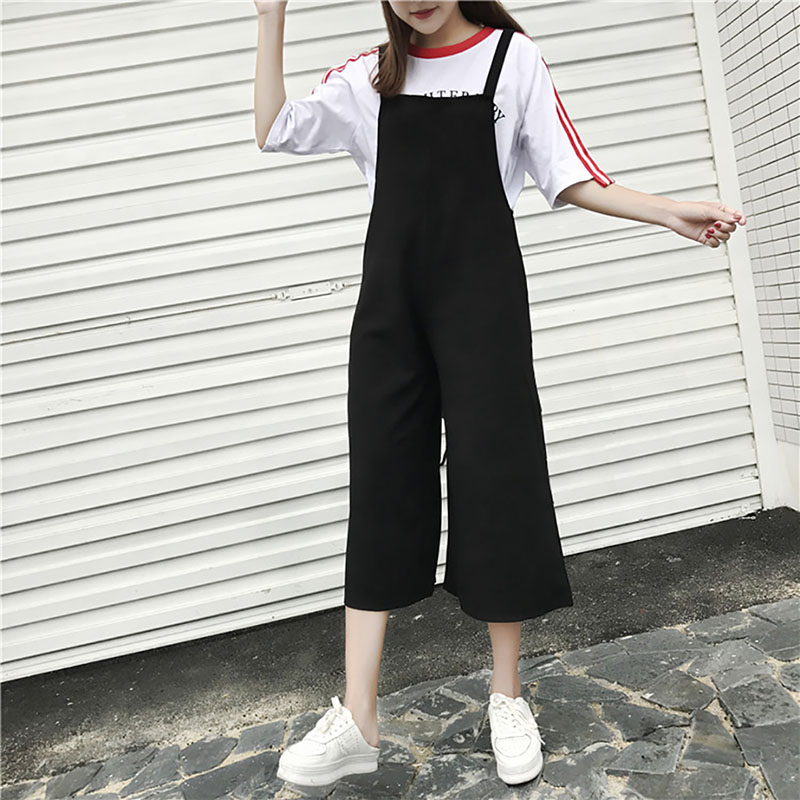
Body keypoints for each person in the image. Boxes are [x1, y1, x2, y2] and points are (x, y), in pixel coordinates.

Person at [253, 0, 747, 789]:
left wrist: (668, 214)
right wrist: (269, 15)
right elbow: (275, 128)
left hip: (482, 303)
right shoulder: (371, 76)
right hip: (390, 310)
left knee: (495, 478)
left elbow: (568, 171)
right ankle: (359, 719)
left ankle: (507, 694)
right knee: (382, 482)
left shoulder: (510, 60)